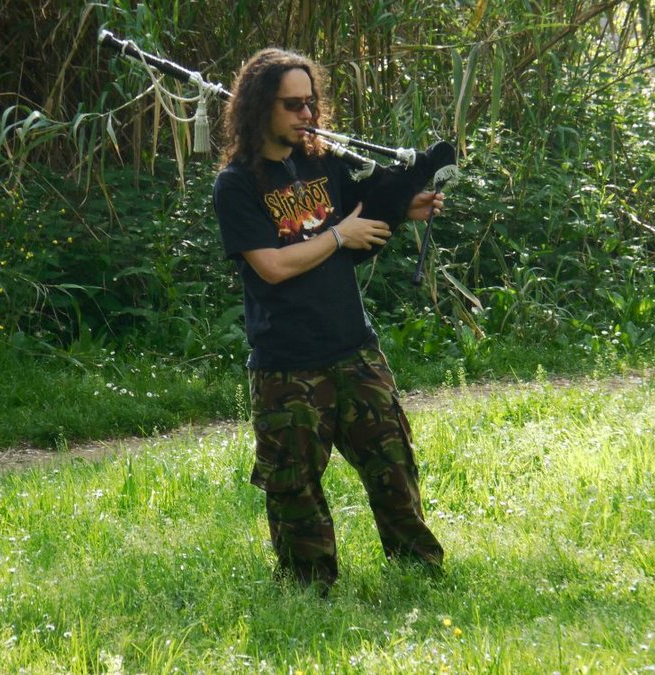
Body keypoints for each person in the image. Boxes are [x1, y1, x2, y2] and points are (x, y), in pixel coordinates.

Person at [213, 47, 444, 595]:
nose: (306, 114)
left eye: (310, 102)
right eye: (292, 105)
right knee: (294, 487)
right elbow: (272, 266)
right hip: (286, 363)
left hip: (353, 347)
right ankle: (308, 593)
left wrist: (404, 206)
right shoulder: (237, 184)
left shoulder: (325, 163)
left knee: (393, 466)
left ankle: (420, 576)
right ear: (259, 107)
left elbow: (364, 221)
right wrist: (339, 235)